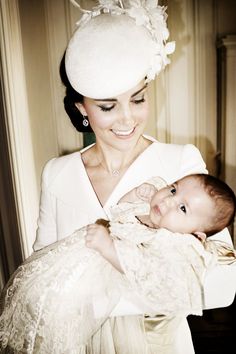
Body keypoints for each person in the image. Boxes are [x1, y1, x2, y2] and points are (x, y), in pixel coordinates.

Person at [31, 1, 236, 353]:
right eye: (108, 107)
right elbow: (39, 272)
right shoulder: (57, 174)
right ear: (82, 109)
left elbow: (222, 284)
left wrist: (101, 291)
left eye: (138, 100)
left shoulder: (180, 164)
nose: (127, 120)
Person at [0, 174, 236, 353]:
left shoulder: (173, 244)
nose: (168, 201)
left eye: (183, 208)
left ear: (196, 235)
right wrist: (133, 195)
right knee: (38, 300)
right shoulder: (149, 213)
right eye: (173, 189)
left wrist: (109, 247)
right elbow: (118, 213)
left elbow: (144, 270)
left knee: (67, 324)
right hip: (70, 263)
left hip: (108, 301)